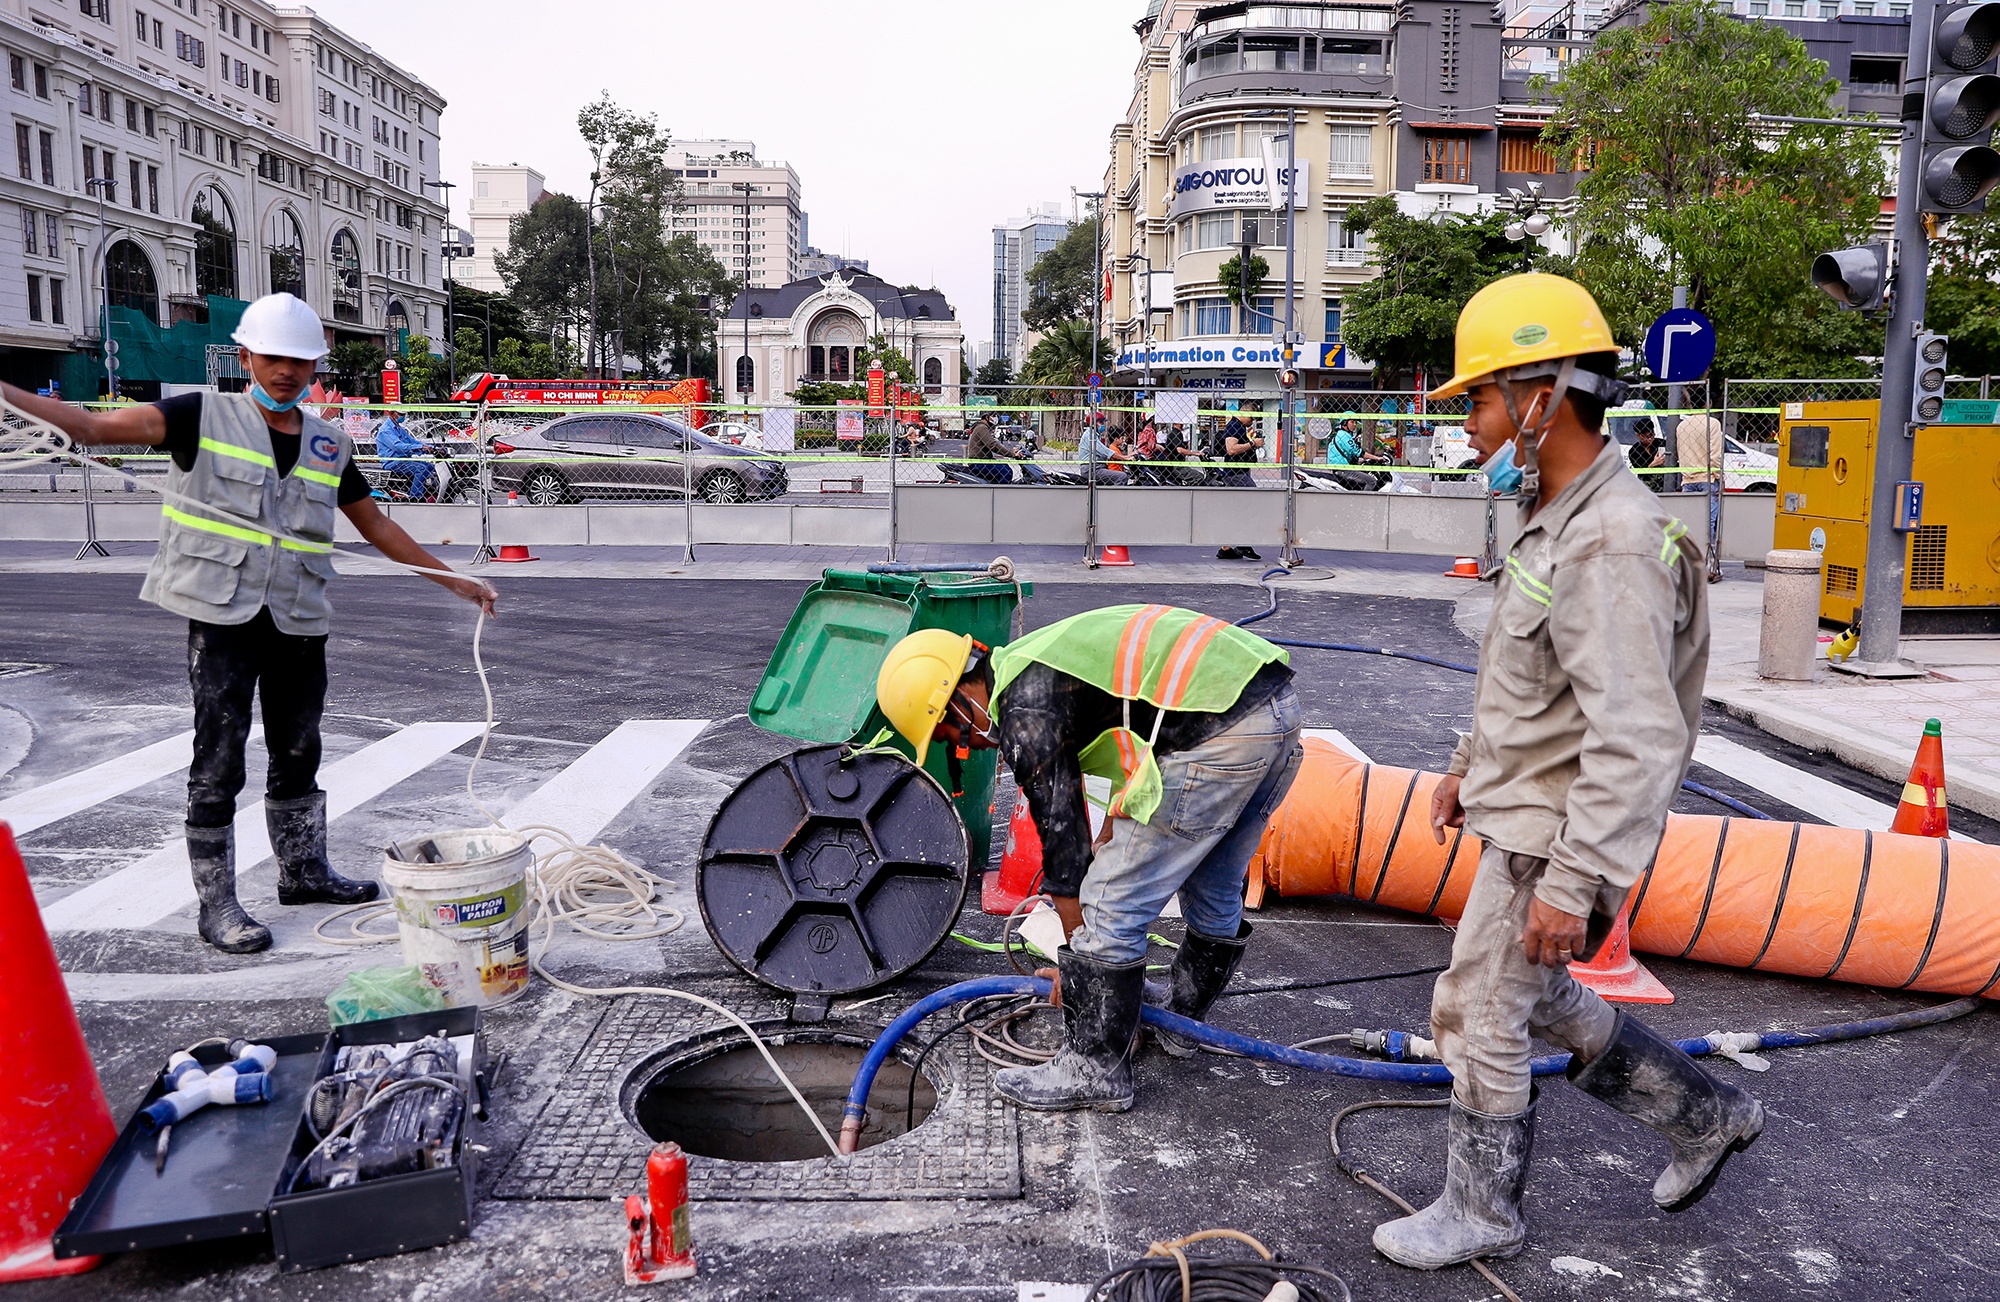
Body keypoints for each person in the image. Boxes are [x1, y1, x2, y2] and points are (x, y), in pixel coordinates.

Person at [1373, 273, 1761, 1271]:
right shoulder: (1555, 519)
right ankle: (1700, 1112)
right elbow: (1531, 683)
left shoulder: (1610, 543)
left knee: (1476, 1010)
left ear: (1541, 398)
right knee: (1536, 999)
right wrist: (1467, 766)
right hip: (1525, 813)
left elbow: (1633, 735)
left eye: (1478, 398)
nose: (1467, 422)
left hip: (1555, 838)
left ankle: (1482, 1212)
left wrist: (1575, 882)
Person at [0, 293, 498, 954]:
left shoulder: (329, 441)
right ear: (246, 357)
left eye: (299, 360)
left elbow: (374, 524)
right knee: (220, 756)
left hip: (298, 617)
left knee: (299, 749)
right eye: (273, 357)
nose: (287, 371)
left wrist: (453, 578)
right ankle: (218, 903)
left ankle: (303, 873)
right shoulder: (198, 415)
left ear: (315, 365)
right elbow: (90, 429)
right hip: (223, 615)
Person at [874, 607, 1303, 1111]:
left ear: (956, 699)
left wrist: (1078, 970)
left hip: (1218, 729)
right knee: (1212, 880)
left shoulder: (1024, 710)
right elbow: (1133, 745)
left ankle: (1094, 1067)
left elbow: (1065, 855)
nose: (969, 746)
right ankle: (1184, 1020)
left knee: (1108, 897)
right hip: (1273, 709)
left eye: (955, 736)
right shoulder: (1043, 666)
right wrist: (1109, 835)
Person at [1215, 416, 1264, 559]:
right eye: (1252, 418)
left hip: (1239, 472)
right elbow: (1231, 449)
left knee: (1238, 508)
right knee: (1250, 504)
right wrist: (1253, 443)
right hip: (1236, 474)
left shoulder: (1238, 426)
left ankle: (1226, 548)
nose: (1252, 421)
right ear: (1246, 414)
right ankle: (1243, 544)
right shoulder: (1234, 426)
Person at [373, 409, 435, 501]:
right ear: (392, 414)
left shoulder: (399, 428)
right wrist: (421, 447)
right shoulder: (385, 430)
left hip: (404, 461)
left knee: (430, 466)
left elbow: (412, 441)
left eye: (404, 414)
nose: (403, 416)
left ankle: (426, 492)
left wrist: (430, 447)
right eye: (401, 414)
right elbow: (398, 446)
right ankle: (415, 497)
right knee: (421, 468)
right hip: (393, 462)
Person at [1627, 416, 1668, 492]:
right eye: (1646, 436)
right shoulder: (1634, 451)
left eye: (1651, 435)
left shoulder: (1662, 444)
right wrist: (1653, 464)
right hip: (1646, 486)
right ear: (1638, 435)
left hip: (1665, 483)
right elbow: (1642, 474)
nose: (1650, 439)